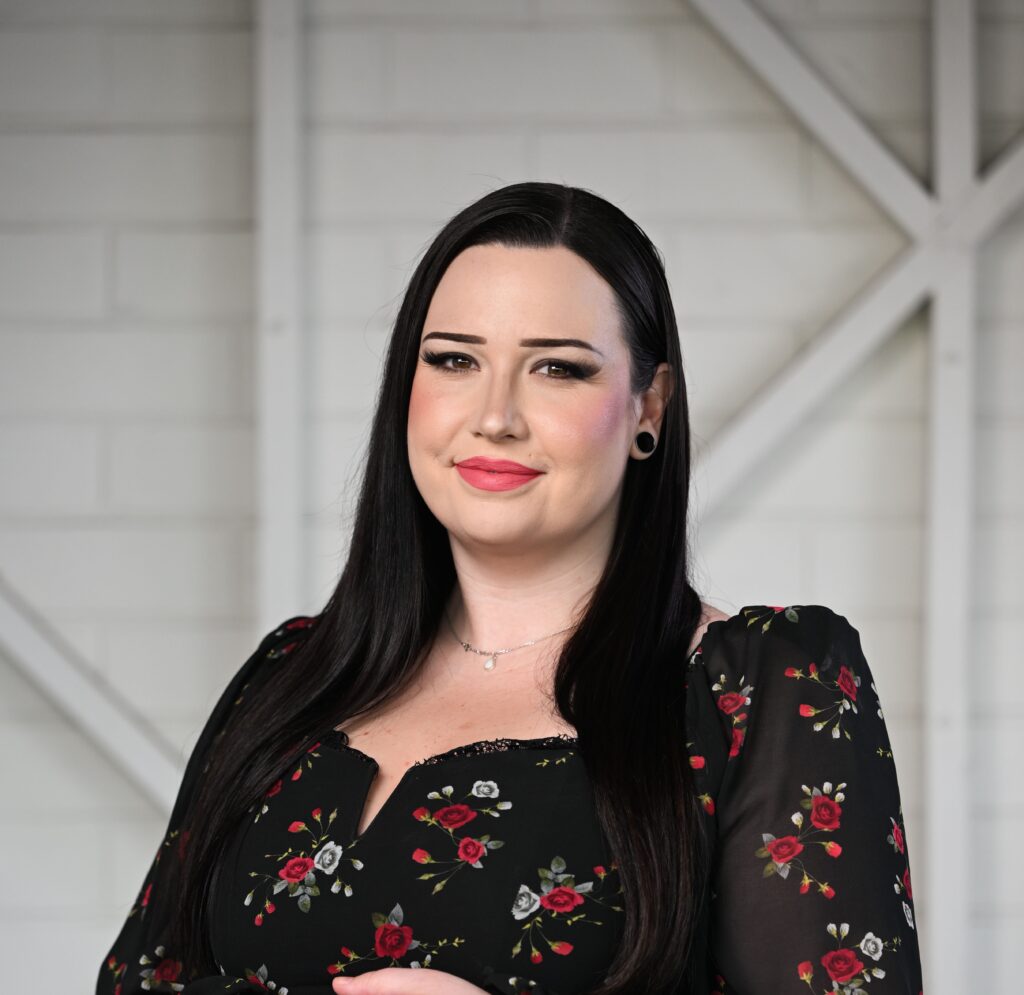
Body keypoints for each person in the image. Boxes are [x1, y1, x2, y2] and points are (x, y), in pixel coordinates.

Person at [95, 182, 924, 995]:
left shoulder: (759, 687)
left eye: (557, 369)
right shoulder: (290, 674)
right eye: (454, 359)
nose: (495, 415)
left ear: (650, 408)